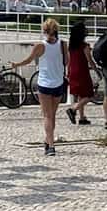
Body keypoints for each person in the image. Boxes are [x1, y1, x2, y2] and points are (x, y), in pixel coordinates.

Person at [10, 18, 67, 156]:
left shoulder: (39, 45)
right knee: (52, 115)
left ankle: (51, 145)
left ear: (44, 30)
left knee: (47, 115)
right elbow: (67, 62)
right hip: (58, 82)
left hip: (44, 83)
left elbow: (29, 60)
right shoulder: (63, 44)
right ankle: (48, 141)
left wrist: (16, 64)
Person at [65, 21, 95, 125]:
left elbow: (69, 60)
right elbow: (89, 60)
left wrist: (67, 72)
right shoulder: (84, 46)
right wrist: (96, 70)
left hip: (72, 71)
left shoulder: (71, 46)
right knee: (89, 95)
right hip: (82, 72)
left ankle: (82, 118)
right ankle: (73, 109)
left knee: (80, 95)